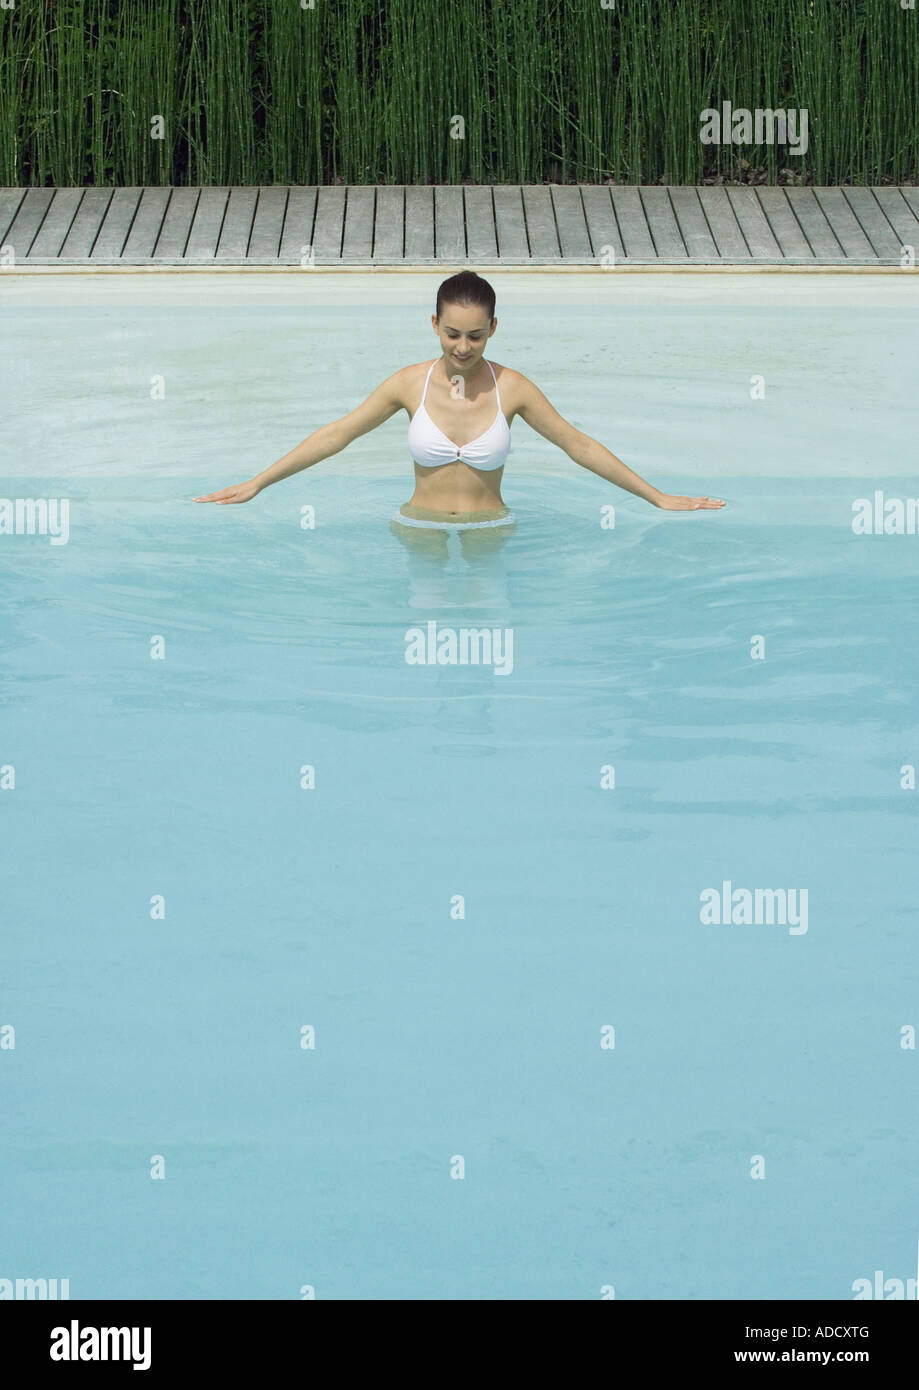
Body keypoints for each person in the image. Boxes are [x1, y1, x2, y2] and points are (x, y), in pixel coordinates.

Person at [194, 270, 725, 526]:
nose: (463, 346)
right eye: (452, 334)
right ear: (434, 325)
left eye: (475, 335)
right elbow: (339, 433)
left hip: (491, 530)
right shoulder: (408, 383)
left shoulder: (512, 388)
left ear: (493, 328)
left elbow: (577, 445)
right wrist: (258, 483)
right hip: (417, 529)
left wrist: (657, 496)